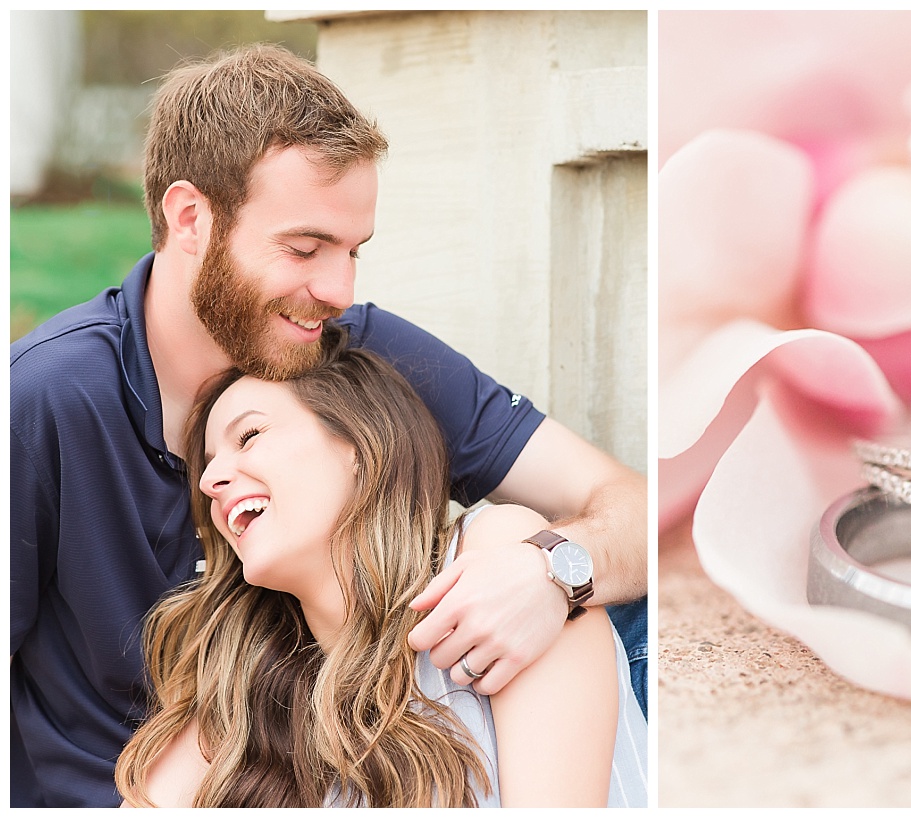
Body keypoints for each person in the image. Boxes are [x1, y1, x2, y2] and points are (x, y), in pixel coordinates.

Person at [9, 44, 646, 807]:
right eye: (305, 248)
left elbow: (635, 508)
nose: (339, 289)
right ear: (190, 218)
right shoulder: (42, 399)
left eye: (352, 251)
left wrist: (553, 571)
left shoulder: (357, 356)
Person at [114, 325, 647, 807]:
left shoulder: (502, 561)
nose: (210, 482)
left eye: (249, 436)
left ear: (358, 444)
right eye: (207, 468)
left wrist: (551, 571)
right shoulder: (244, 687)